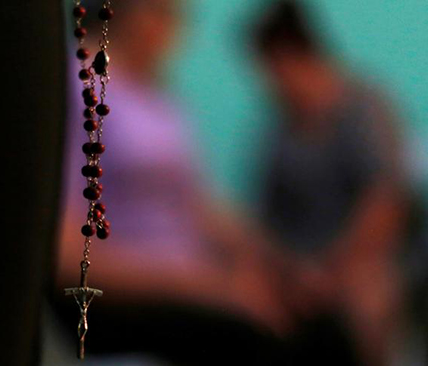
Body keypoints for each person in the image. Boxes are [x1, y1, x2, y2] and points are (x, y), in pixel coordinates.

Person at [53, 1, 293, 364]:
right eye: (166, 12)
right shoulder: (79, 89)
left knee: (315, 321)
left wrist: (269, 264)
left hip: (188, 283)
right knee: (253, 339)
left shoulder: (159, 99)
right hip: (125, 296)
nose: (178, 29)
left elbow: (197, 207)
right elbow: (70, 256)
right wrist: (209, 287)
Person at [250, 1, 409, 365]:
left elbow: (387, 202)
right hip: (293, 264)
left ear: (292, 56)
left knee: (368, 301)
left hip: (355, 261)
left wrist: (332, 271)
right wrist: (285, 268)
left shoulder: (365, 107)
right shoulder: (278, 125)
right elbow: (263, 215)